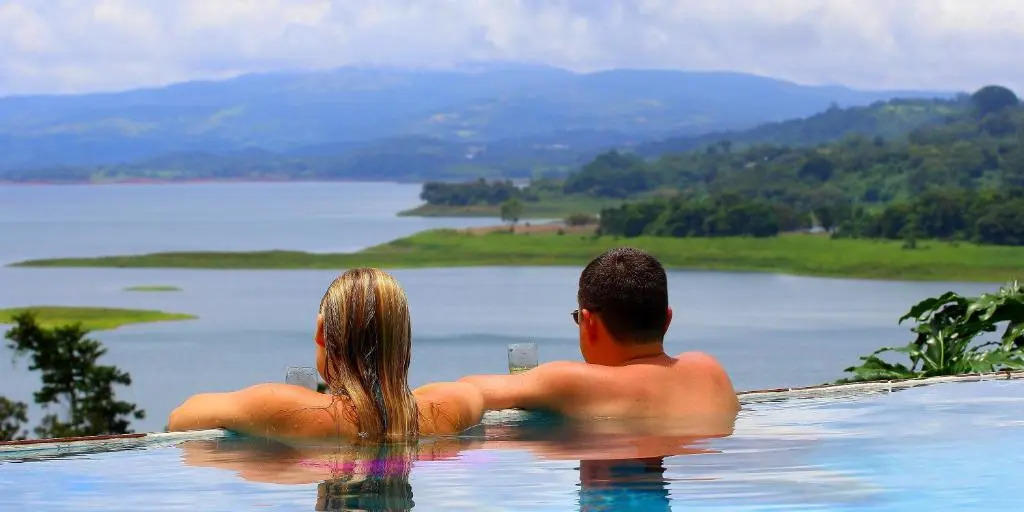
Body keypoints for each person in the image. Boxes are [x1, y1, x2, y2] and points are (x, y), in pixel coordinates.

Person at [168, 268, 484, 440]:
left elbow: (181, 417)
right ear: (404, 340)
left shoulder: (283, 407)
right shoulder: (450, 408)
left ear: (322, 332)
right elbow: (473, 389)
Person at [458, 247, 739, 427]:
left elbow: (467, 390)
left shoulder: (573, 383)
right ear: (667, 319)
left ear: (589, 322)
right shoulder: (709, 371)